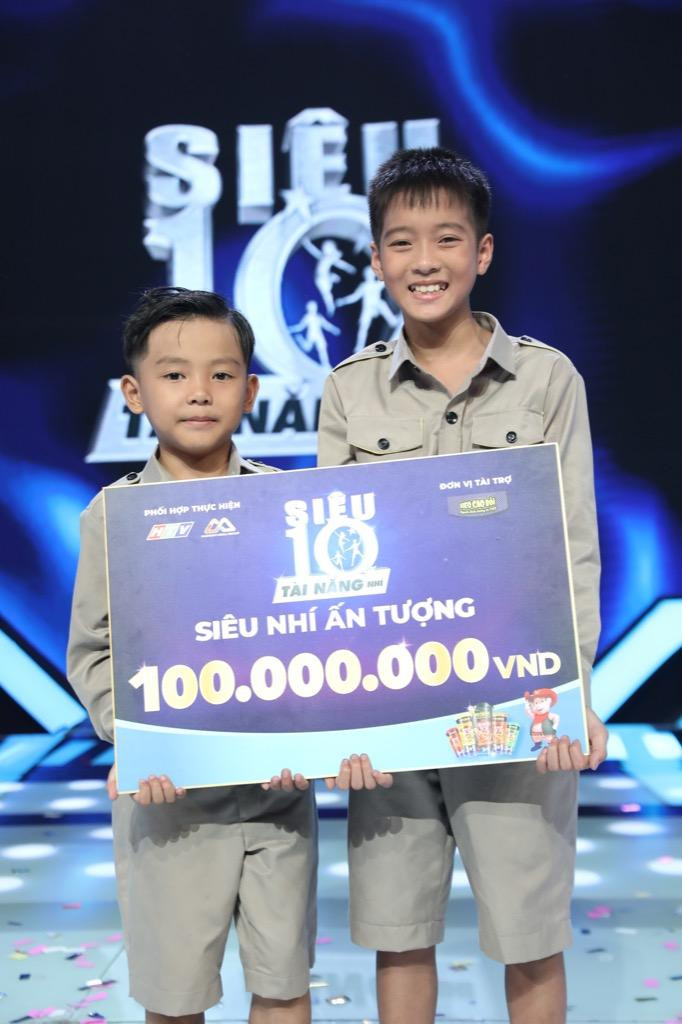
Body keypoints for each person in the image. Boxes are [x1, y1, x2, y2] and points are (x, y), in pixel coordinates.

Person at [316, 147, 608, 1024]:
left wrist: (571, 697)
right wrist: (340, 718)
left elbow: (572, 547)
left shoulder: (548, 379)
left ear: (482, 252)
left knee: (529, 933)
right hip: (392, 712)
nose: (425, 260)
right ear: (377, 261)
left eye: (447, 238)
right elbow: (330, 570)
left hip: (513, 706)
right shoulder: (348, 391)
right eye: (402, 242)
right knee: (399, 933)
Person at [67, 287, 316, 1024]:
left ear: (252, 391)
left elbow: (321, 638)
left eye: (222, 374)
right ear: (134, 393)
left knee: (283, 984)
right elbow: (94, 651)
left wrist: (321, 734)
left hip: (278, 796)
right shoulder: (112, 517)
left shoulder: (290, 506)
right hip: (168, 804)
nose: (200, 392)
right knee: (175, 995)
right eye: (174, 375)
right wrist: (136, 736)